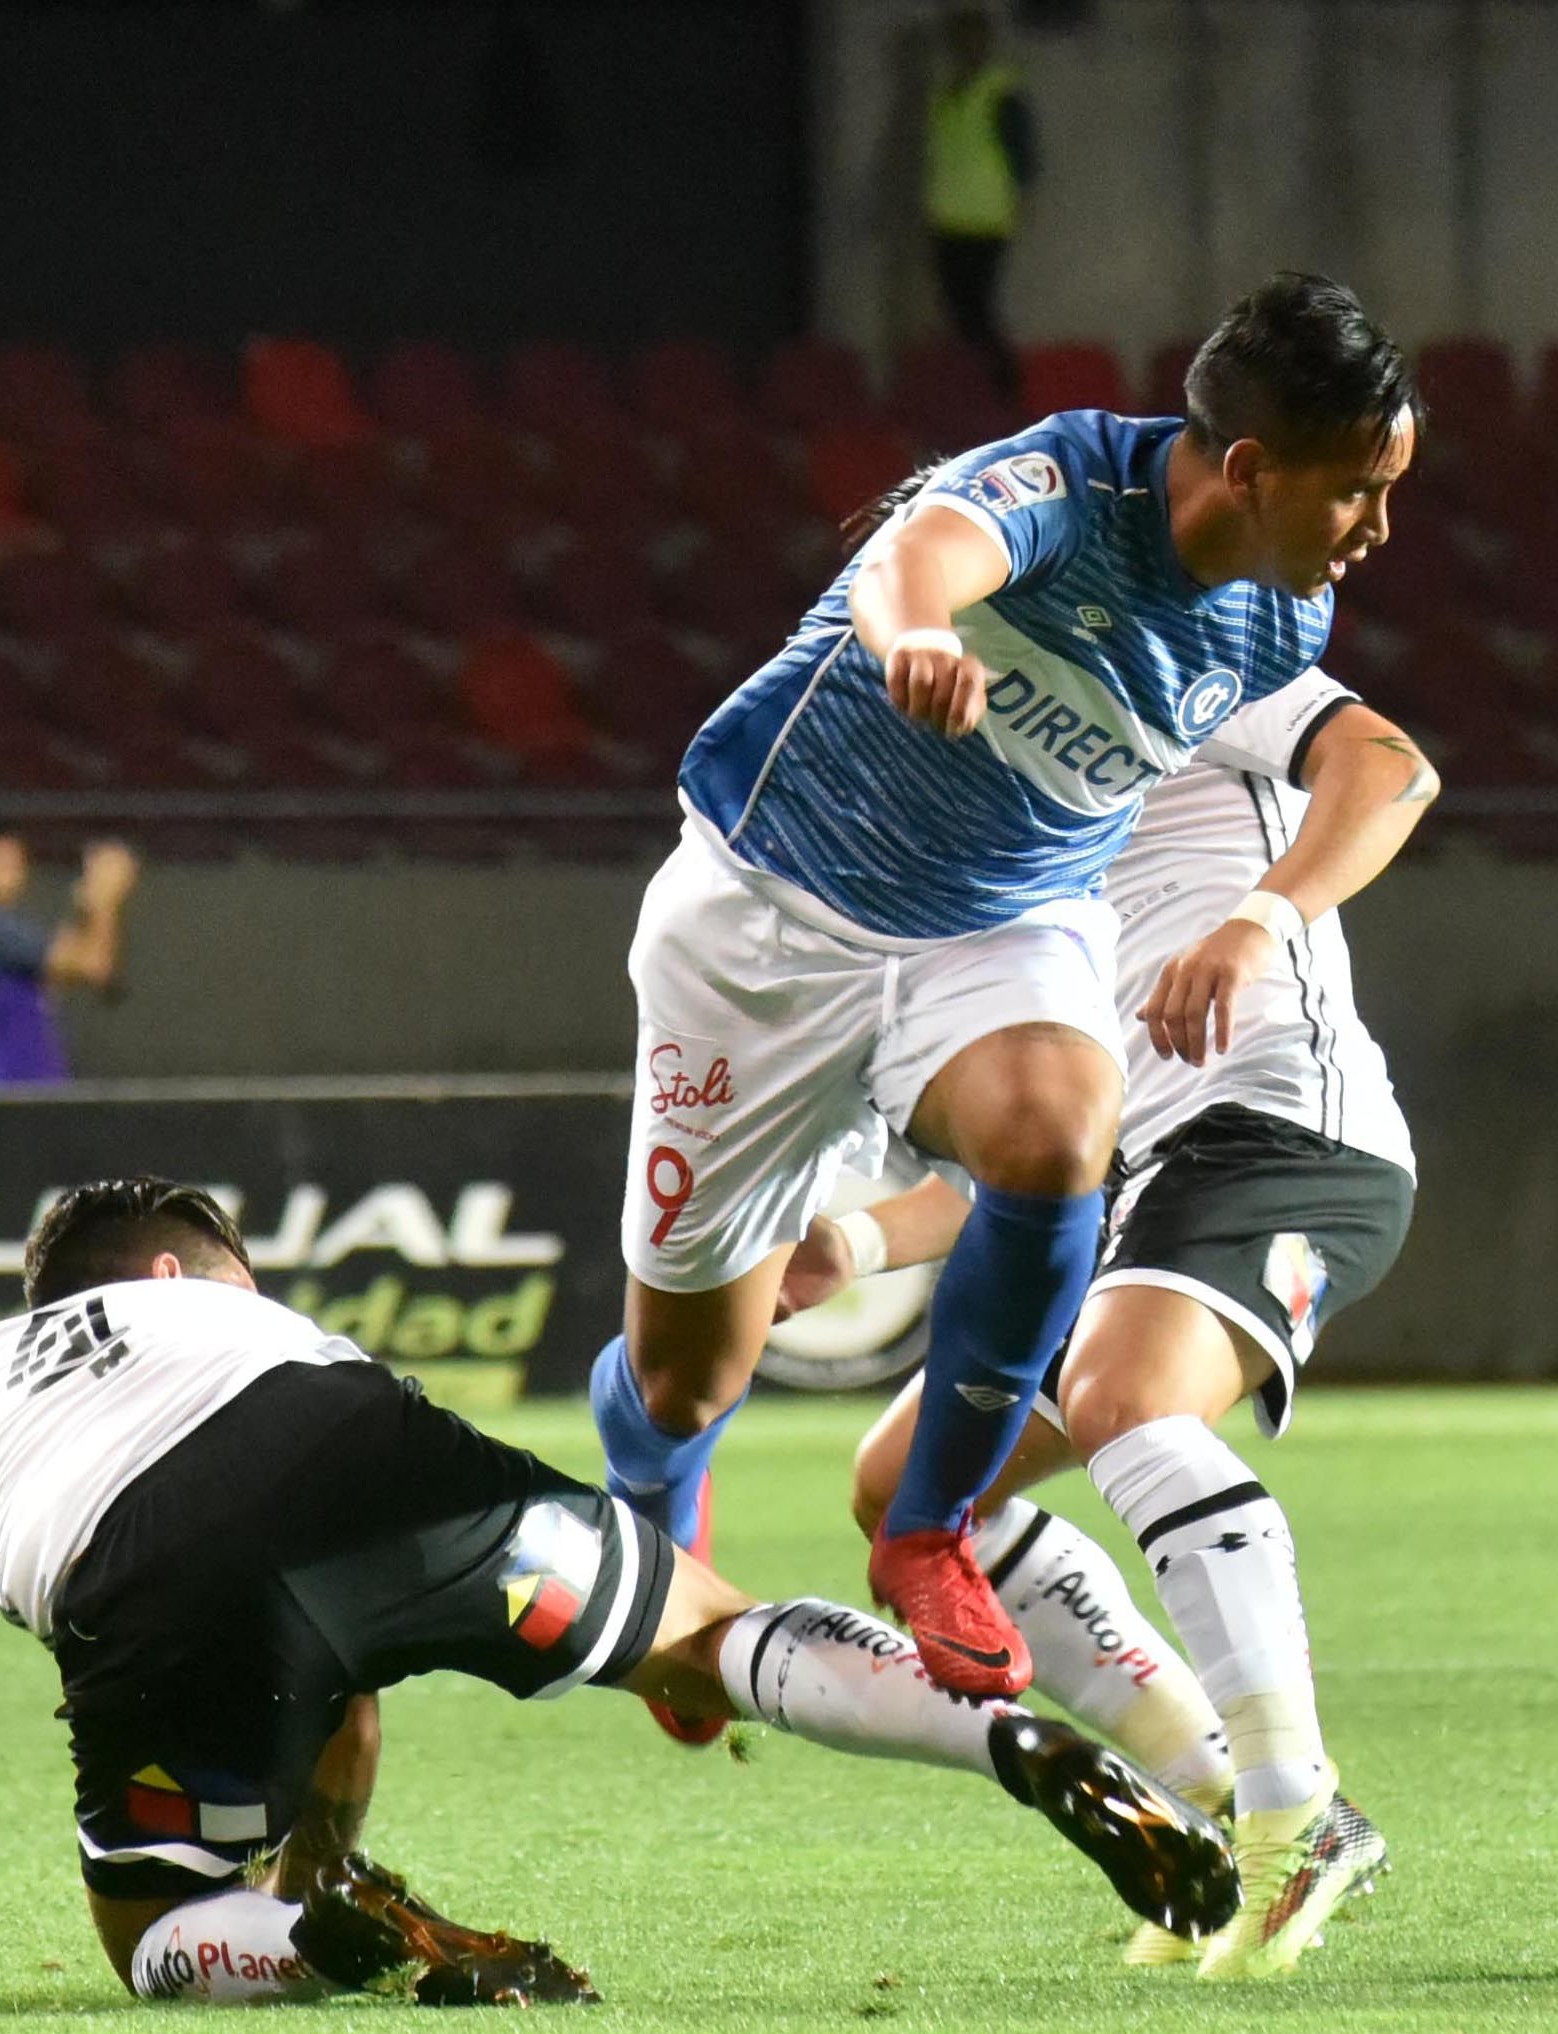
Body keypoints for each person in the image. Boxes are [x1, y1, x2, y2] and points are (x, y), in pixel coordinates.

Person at [0, 1179, 1234, 2014]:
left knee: (155, 1923)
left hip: (139, 1572)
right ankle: (1008, 1731)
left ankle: (313, 1930)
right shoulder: (236, 1317)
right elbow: (362, 1644)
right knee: (710, 1626)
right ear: (178, 1273)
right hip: (362, 1446)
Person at [589, 273, 1419, 1708]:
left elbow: (1383, 766)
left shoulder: (1275, 627)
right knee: (682, 1379)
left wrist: (1256, 918)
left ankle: (926, 1531)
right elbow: (922, 551)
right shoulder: (1067, 479)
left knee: (1059, 1127)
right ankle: (656, 1513)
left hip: (996, 921)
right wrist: (914, 630)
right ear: (1249, 468)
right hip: (769, 916)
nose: (1376, 530)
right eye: (1358, 491)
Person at [786, 666, 1432, 1979]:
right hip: (1134, 1186)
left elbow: (1391, 770)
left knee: (1125, 1398)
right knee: (909, 1493)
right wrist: (851, 1240)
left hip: (1281, 1126)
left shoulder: (1165, 659)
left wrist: (1256, 924)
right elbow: (999, 1173)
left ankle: (1285, 1805)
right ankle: (1236, 1798)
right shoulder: (976, 828)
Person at [0, 834, 137, 1087]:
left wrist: (86, 910)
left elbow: (56, 972)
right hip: (23, 1093)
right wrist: (105, 899)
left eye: (15, 866)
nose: (8, 875)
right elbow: (95, 966)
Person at [925, 7, 1037, 404]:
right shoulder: (946, 92)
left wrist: (1020, 201)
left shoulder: (1000, 91)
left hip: (985, 217)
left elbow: (1024, 154)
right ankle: (972, 391)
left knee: (979, 310)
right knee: (957, 314)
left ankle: (1006, 390)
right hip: (946, 216)